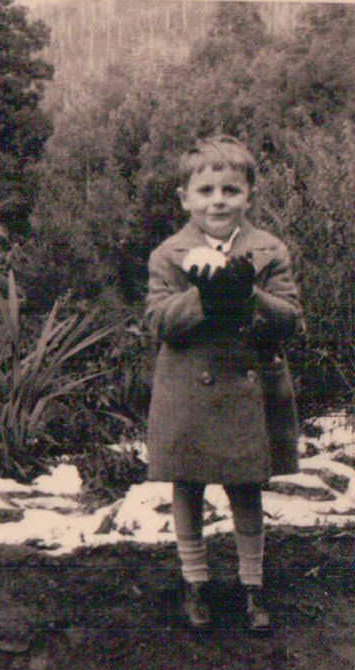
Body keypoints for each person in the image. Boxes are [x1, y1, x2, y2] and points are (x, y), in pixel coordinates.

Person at [145, 134, 303, 631]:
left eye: (230, 190)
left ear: (249, 196)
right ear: (185, 198)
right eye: (207, 190)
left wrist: (248, 295)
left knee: (245, 486)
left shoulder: (268, 250)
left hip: (245, 388)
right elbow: (158, 323)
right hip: (190, 388)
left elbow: (291, 320)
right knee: (188, 484)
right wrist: (202, 298)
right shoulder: (169, 256)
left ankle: (252, 586)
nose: (218, 200)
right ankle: (196, 583)